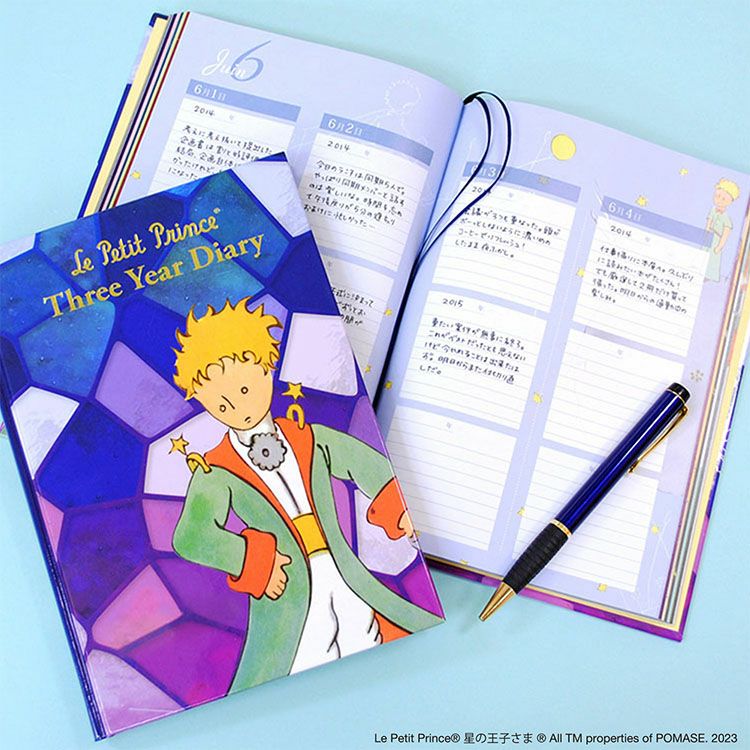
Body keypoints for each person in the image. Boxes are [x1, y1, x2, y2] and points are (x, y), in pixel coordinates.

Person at [170, 298, 440, 691]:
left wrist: (394, 505)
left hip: (342, 570)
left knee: (366, 632)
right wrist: (253, 559)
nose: (239, 408)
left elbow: (363, 464)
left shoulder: (306, 437)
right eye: (222, 404)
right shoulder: (215, 469)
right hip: (288, 594)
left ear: (267, 369)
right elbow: (191, 536)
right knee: (301, 656)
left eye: (244, 389)